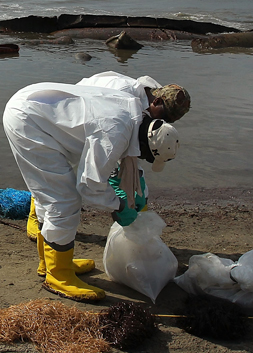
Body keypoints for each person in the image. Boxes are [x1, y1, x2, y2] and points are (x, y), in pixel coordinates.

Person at [3, 81, 180, 302]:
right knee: (64, 202)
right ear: (146, 147)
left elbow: (104, 162)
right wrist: (119, 205)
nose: (142, 159)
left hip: (35, 106)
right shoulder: (116, 132)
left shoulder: (133, 112)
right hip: (29, 121)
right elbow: (89, 185)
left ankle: (49, 262)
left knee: (48, 197)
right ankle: (58, 275)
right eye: (146, 157)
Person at [24, 71, 190, 240]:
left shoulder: (147, 101)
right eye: (163, 118)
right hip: (70, 122)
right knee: (55, 179)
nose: (160, 123)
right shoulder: (124, 95)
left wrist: (138, 182)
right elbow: (111, 145)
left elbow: (130, 148)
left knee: (62, 181)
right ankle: (37, 218)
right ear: (157, 101)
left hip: (93, 129)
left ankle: (50, 227)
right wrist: (117, 200)